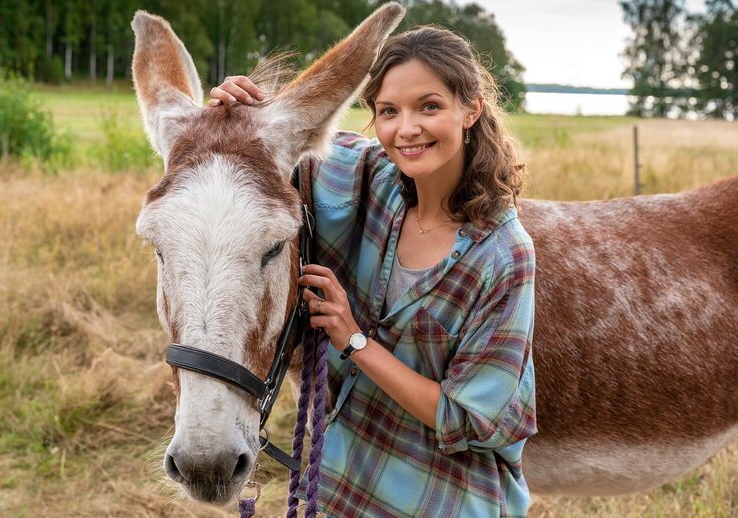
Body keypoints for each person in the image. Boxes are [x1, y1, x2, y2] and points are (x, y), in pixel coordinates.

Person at [210, 26, 537, 518]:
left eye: (429, 106)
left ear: (471, 108)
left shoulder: (505, 256)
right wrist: (242, 107)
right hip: (344, 493)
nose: (406, 129)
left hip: (445, 500)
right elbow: (284, 140)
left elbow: (468, 418)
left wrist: (355, 340)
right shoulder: (369, 178)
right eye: (388, 111)